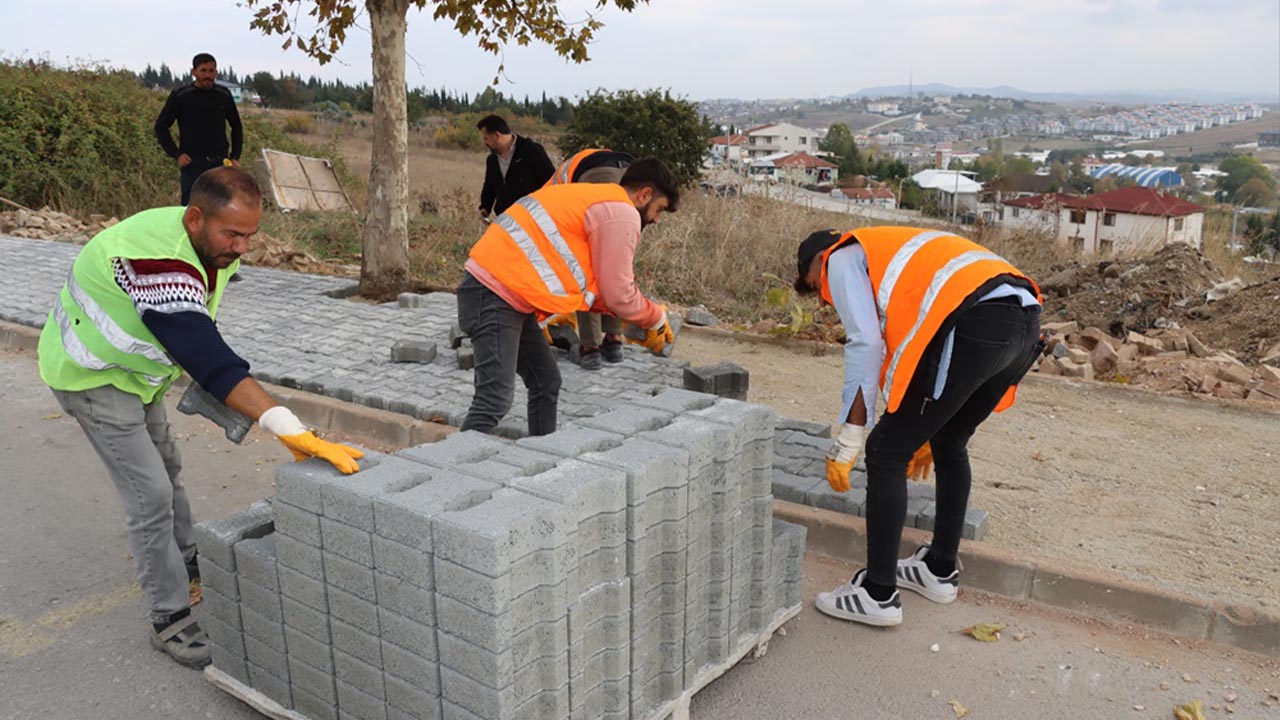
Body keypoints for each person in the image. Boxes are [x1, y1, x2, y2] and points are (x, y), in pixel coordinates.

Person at [37, 168, 363, 669]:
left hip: (138, 375)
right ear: (195, 218)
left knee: (167, 465)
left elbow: (195, 330)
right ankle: (168, 617)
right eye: (233, 234)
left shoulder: (206, 244)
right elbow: (202, 349)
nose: (242, 247)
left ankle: (189, 557)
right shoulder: (155, 259)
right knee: (150, 494)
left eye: (251, 236)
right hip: (91, 376)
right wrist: (282, 422)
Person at [793, 227, 1043, 627]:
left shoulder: (840, 258)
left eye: (817, 288)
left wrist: (851, 435)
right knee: (949, 441)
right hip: (1025, 320)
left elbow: (866, 343)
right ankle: (939, 570)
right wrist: (924, 426)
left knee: (884, 452)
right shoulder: (892, 251)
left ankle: (877, 594)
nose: (828, 299)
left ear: (817, 262)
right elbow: (905, 354)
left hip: (975, 321)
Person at [458, 157, 680, 437]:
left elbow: (595, 291)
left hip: (508, 297)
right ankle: (446, 477)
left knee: (546, 381)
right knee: (494, 400)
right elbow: (619, 293)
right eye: (659, 209)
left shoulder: (596, 200)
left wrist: (627, 322)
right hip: (492, 294)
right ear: (645, 195)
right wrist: (656, 317)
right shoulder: (621, 212)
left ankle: (542, 460)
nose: (656, 219)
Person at [543, 148, 637, 370]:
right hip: (630, 177)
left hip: (598, 177)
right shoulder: (581, 161)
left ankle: (589, 347)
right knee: (616, 263)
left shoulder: (548, 191)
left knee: (587, 266)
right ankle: (614, 339)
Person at [154, 53, 244, 205]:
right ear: (194, 72)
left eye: (211, 71)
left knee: (220, 207)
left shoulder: (223, 95)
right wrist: (177, 154)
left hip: (220, 163)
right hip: (193, 164)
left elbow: (236, 126)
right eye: (203, 71)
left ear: (216, 72)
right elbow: (160, 127)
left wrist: (235, 156)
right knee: (191, 208)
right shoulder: (181, 96)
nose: (207, 75)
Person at [476, 114, 556, 222]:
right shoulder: (492, 160)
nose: (485, 142)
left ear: (497, 135)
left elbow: (551, 183)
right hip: (504, 221)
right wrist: (485, 207)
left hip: (532, 219)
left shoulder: (532, 151)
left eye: (486, 138)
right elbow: (489, 186)